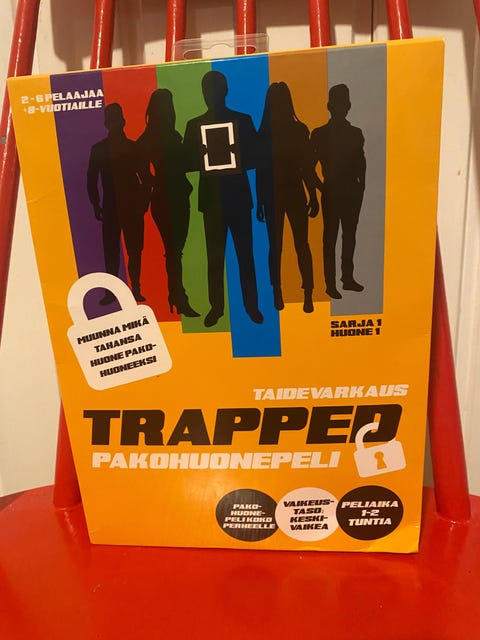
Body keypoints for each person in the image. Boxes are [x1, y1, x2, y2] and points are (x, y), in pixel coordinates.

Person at [183, 70, 264, 327]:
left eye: (214, 89)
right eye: (208, 89)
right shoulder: (195, 125)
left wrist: (232, 154)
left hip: (236, 199)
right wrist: (206, 155)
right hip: (213, 202)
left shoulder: (243, 120)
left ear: (225, 91)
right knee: (216, 258)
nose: (211, 94)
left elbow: (256, 158)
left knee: (244, 256)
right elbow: (186, 163)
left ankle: (250, 306)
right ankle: (217, 307)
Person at [256, 81, 319, 313]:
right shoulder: (300, 130)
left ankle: (277, 293)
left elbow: (261, 172)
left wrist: (260, 202)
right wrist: (313, 195)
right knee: (302, 245)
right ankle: (308, 294)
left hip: (272, 195)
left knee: (276, 247)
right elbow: (306, 168)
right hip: (295, 192)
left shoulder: (263, 134)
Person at [137, 88, 198, 317]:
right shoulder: (171, 136)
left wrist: (155, 181)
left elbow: (143, 172)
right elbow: (184, 165)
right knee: (174, 252)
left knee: (173, 251)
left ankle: (176, 296)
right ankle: (178, 297)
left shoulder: (147, 138)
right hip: (175, 196)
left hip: (163, 197)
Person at [87, 102, 149, 304]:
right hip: (112, 207)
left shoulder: (133, 148)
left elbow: (146, 178)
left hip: (130, 207)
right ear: (108, 123)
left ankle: (135, 289)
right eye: (111, 120)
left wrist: (143, 203)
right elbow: (91, 180)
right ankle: (113, 292)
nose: (114, 124)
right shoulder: (100, 149)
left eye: (116, 120)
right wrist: (96, 205)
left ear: (122, 121)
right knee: (113, 250)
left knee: (134, 250)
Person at [311, 83, 366, 299]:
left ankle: (346, 279)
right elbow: (308, 166)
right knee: (331, 238)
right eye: (337, 103)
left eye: (342, 103)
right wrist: (321, 186)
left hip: (349, 192)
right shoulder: (320, 134)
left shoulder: (355, 133)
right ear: (330, 106)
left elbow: (361, 164)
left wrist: (361, 188)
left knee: (348, 236)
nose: (340, 107)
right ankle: (331, 284)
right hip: (333, 191)